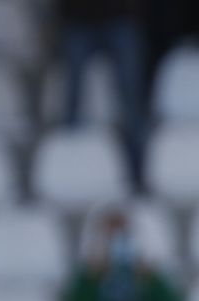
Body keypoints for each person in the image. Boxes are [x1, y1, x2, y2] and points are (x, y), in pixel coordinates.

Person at [57, 0, 149, 189]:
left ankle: (139, 173)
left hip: (120, 15)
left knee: (132, 100)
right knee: (71, 101)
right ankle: (66, 172)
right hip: (78, 18)